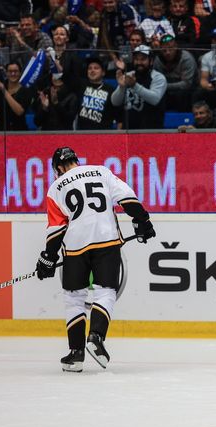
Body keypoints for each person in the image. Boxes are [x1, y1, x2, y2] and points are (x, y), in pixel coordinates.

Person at [36, 146, 155, 372]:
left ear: (59, 168)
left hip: (75, 246)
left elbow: (56, 229)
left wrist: (48, 258)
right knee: (106, 290)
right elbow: (128, 198)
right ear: (75, 161)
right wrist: (143, 221)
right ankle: (96, 337)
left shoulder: (55, 188)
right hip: (106, 240)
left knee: (73, 298)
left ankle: (76, 354)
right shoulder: (101, 172)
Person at [111, 45, 168, 129]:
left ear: (151, 61)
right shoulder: (129, 75)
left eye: (143, 59)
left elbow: (155, 99)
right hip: (129, 131)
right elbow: (115, 102)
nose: (139, 62)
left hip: (151, 132)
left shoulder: (158, 77)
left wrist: (135, 86)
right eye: (136, 59)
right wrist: (121, 87)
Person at [76, 56, 120, 130]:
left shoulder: (111, 90)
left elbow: (119, 117)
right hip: (82, 134)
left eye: (96, 68)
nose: (92, 70)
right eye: (90, 68)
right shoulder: (81, 85)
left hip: (103, 135)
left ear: (103, 73)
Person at [0, 61, 34, 131]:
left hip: (19, 131)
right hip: (2, 130)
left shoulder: (26, 90)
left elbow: (19, 111)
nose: (13, 73)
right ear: (6, 73)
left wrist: (4, 91)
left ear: (20, 73)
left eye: (16, 71)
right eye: (10, 71)